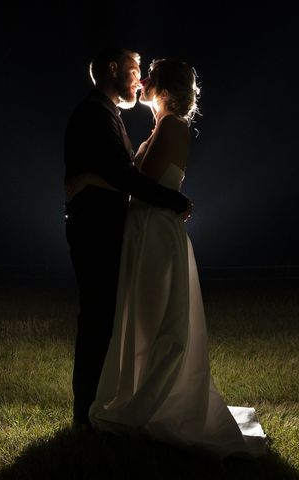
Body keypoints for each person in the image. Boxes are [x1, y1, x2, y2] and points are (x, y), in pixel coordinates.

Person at [68, 59, 268, 458]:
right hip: (147, 231)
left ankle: (151, 405)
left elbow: (141, 184)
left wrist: (164, 197)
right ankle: (135, 398)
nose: (142, 81)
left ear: (165, 87)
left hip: (155, 234)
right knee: (144, 320)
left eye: (150, 76)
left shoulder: (172, 126)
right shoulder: (163, 126)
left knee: (157, 323)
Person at [63, 48, 191, 428]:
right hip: (97, 231)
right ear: (112, 70)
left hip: (130, 230)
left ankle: (107, 404)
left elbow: (122, 175)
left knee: (113, 319)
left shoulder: (112, 115)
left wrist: (87, 177)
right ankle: (87, 412)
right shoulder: (94, 113)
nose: (138, 79)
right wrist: (176, 199)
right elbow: (127, 177)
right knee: (99, 319)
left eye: (144, 73)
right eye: (134, 71)